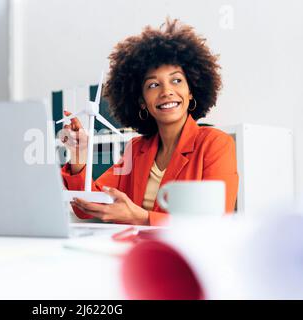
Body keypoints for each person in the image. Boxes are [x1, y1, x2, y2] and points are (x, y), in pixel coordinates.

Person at [59, 19, 238, 226]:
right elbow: (87, 207)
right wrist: (79, 155)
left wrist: (141, 218)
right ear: (142, 101)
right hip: (139, 251)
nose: (166, 91)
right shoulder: (136, 150)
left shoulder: (216, 144)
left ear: (191, 91)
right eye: (153, 84)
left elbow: (215, 223)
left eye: (177, 80)